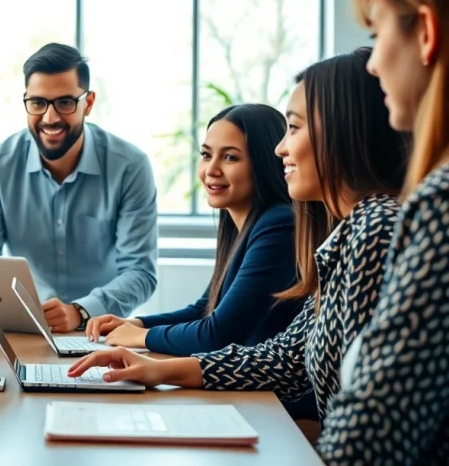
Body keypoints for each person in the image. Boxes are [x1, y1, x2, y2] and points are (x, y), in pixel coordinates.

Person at [67, 48, 411, 437]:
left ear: (342, 130)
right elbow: (284, 359)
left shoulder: (375, 228)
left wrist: (145, 340)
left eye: (294, 128)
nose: (281, 148)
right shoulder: (347, 234)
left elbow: (372, 412)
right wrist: (156, 368)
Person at [312, 0, 449, 464]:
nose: (371, 66)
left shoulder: (439, 205)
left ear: (427, 33)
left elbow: (368, 442)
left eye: (377, 34)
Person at [0, 43, 157, 332]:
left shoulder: (130, 166)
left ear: (88, 103)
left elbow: (140, 272)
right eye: (37, 103)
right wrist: (31, 305)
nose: (50, 118)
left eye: (65, 103)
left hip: (100, 331)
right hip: (25, 325)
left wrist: (81, 311)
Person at [86, 104, 301, 357]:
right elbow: (204, 310)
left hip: (267, 383)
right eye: (207, 155)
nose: (211, 170)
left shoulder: (279, 225)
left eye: (230, 157)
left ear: (264, 162)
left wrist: (142, 337)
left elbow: (217, 335)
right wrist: (136, 324)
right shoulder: (241, 227)